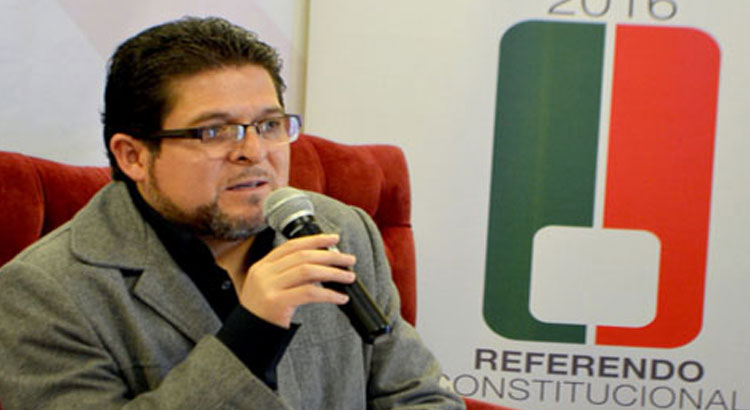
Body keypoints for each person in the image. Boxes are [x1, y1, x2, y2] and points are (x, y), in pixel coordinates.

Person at [0, 16, 464, 409]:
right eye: (214, 132)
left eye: (269, 125)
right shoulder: (46, 292)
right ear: (133, 156)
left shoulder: (339, 230)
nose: (254, 152)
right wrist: (250, 334)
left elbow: (420, 395)